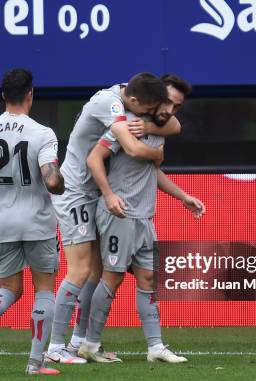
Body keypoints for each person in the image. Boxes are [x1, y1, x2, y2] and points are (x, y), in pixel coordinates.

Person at [45, 73, 181, 364]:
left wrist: (147, 124)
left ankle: (80, 343)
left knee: (94, 273)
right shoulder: (111, 104)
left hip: (93, 193)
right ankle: (55, 347)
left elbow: (174, 124)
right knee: (80, 271)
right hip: (75, 191)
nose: (159, 113)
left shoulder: (129, 98)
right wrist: (156, 155)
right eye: (150, 108)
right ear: (134, 101)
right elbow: (130, 148)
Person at [80, 77, 205, 363]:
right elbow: (94, 158)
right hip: (119, 213)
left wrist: (182, 196)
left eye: (178, 106)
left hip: (145, 215)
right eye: (168, 103)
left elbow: (152, 171)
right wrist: (109, 195)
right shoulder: (125, 125)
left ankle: (155, 348)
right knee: (111, 278)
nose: (172, 110)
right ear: (155, 99)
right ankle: (89, 343)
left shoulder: (159, 129)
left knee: (148, 278)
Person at [0, 68, 65, 375]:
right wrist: (60, 184)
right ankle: (35, 362)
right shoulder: (42, 133)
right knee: (44, 288)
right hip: (38, 223)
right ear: (30, 94)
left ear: (3, 95)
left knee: (9, 287)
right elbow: (50, 178)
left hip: (3, 223)